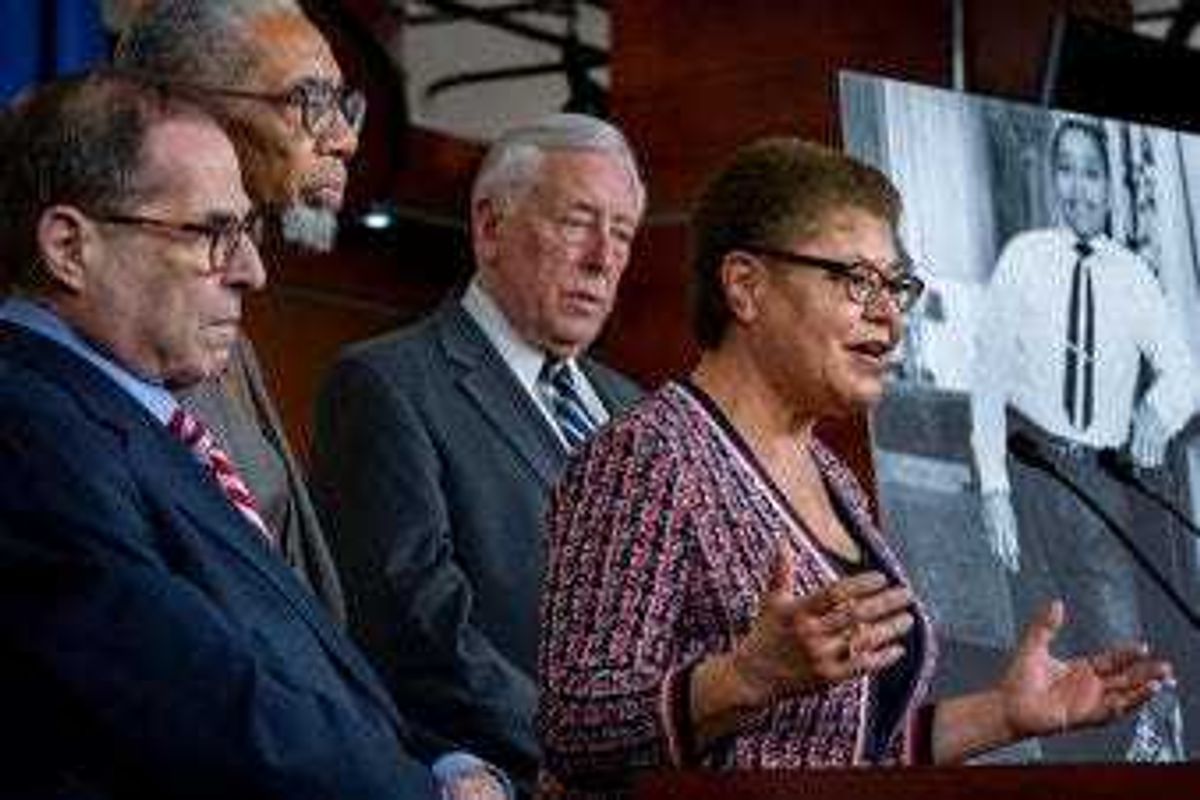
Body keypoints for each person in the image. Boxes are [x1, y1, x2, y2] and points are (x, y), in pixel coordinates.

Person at [537, 137, 1172, 798]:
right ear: (746, 287)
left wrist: (1007, 713)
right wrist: (743, 677)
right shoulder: (646, 457)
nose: (890, 318)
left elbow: (847, 744)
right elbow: (574, 731)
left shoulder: (832, 477)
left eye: (896, 286)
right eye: (856, 280)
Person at [0, 70, 438, 799]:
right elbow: (205, 706)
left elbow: (301, 672)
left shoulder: (141, 418)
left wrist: (441, 762)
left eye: (248, 230)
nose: (253, 272)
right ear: (69, 246)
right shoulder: (25, 428)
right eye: (213, 233)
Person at [311, 112, 645, 794]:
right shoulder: (388, 383)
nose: (603, 258)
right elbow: (416, 623)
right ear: (491, 226)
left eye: (623, 233)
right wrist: (584, 751)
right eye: (579, 221)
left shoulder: (634, 406)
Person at [114, 0, 355, 621]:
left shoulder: (227, 337)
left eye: (343, 104)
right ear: (182, 107)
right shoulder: (120, 330)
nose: (345, 138)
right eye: (311, 100)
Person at [971, 117, 1195, 759]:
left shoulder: (1133, 275)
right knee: (1047, 658)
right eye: (1066, 169)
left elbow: (1187, 370)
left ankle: (1143, 753)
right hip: (1031, 473)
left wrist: (1157, 414)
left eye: (1092, 172)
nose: (1079, 187)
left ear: (1110, 187)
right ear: (1053, 178)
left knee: (1122, 648)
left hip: (1101, 483)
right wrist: (993, 491)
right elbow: (987, 378)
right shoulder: (1023, 258)